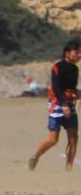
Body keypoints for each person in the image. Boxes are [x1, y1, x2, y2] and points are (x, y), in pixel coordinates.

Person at [28, 38, 80, 172]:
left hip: (69, 106)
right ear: (67, 53)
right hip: (57, 105)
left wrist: (77, 94)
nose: (79, 55)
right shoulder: (57, 67)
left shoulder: (75, 69)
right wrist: (64, 104)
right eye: (77, 52)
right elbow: (56, 88)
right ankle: (35, 157)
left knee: (73, 139)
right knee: (53, 140)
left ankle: (68, 170)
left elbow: (71, 89)